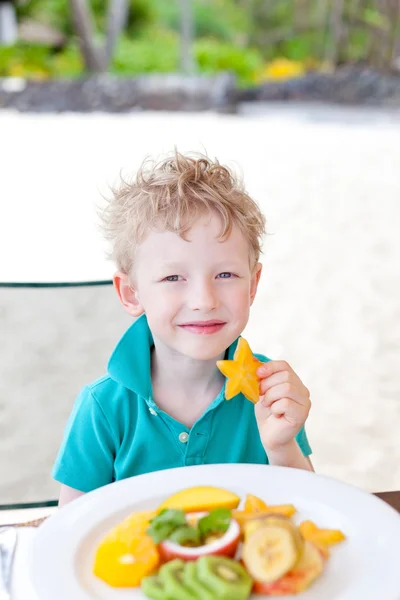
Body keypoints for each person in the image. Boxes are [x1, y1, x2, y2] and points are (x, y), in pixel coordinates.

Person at [53, 151, 313, 508]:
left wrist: (282, 445)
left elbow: (307, 513)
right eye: (173, 277)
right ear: (131, 293)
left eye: (226, 275)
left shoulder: (269, 392)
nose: (203, 300)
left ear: (253, 285)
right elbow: (70, 530)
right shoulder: (103, 408)